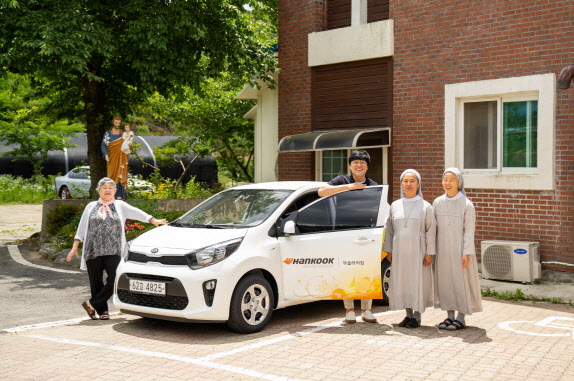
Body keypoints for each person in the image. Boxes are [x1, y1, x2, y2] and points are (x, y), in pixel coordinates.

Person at [67, 177, 168, 320]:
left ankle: (91, 304)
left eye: (110, 187)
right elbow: (82, 228)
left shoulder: (120, 205)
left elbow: (137, 213)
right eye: (104, 187)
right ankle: (102, 311)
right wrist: (75, 247)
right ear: (98, 190)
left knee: (115, 278)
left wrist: (153, 220)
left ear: (115, 190)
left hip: (114, 250)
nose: (107, 190)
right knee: (96, 282)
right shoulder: (90, 206)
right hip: (92, 250)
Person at [318, 149, 378, 324]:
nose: (358, 165)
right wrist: (349, 187)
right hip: (345, 233)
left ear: (367, 166)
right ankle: (349, 310)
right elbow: (321, 191)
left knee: (367, 271)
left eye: (362, 162)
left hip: (366, 234)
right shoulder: (341, 180)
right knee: (347, 271)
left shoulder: (374, 185)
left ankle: (367, 310)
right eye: (355, 162)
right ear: (350, 165)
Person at [382, 169, 436, 328]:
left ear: (418, 184)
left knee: (417, 282)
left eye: (412, 181)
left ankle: (417, 317)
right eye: (405, 181)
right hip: (399, 251)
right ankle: (408, 314)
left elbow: (431, 230)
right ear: (401, 184)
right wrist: (389, 251)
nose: (409, 184)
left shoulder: (426, 206)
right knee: (403, 281)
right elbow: (389, 229)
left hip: (418, 250)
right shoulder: (395, 205)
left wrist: (429, 253)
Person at [433, 168, 482, 330]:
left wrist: (467, 253)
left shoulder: (467, 205)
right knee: (446, 282)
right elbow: (433, 229)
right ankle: (449, 316)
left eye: (452, 179)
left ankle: (461, 317)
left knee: (461, 283)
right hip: (442, 250)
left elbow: (469, 231)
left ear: (459, 182)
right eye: (445, 179)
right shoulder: (437, 202)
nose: (447, 183)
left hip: (460, 251)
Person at [101, 116, 129, 199]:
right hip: (111, 158)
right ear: (113, 122)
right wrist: (106, 154)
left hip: (121, 157)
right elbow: (103, 145)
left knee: (120, 173)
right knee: (111, 175)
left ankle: (120, 195)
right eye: (116, 122)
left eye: (119, 123)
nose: (117, 124)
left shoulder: (122, 133)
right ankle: (111, 194)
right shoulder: (108, 133)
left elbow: (127, 144)